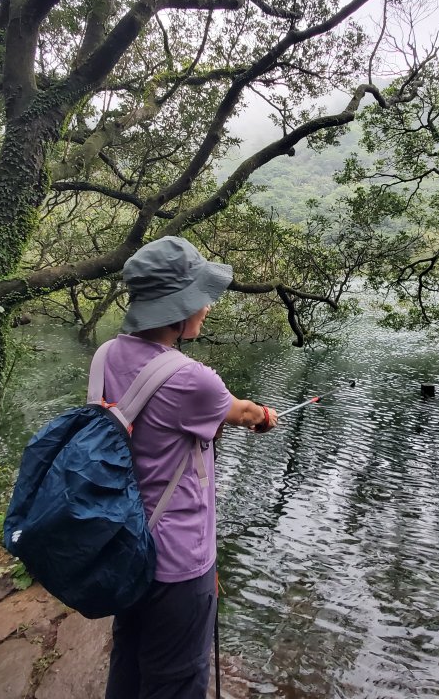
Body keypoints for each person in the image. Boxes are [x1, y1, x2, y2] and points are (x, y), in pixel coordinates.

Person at [103, 236, 278, 699]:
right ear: (176, 308)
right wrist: (265, 416)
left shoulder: (106, 356)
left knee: (128, 663)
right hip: (177, 562)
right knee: (177, 680)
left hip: (124, 544)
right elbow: (243, 412)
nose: (207, 306)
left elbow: (151, 426)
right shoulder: (191, 379)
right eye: (201, 296)